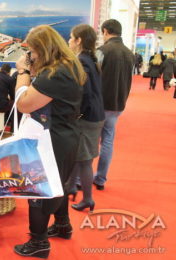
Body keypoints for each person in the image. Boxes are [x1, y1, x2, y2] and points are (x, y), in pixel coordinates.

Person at [13, 25, 85, 259]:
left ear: (43, 49)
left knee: (39, 191)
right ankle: (62, 225)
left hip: (51, 140)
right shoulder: (68, 65)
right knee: (58, 185)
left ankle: (38, 242)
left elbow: (23, 103)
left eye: (32, 51)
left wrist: (23, 72)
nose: (31, 56)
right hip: (64, 136)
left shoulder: (55, 74)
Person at [67, 24, 105, 212]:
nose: (68, 41)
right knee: (79, 156)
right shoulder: (91, 59)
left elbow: (86, 94)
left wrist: (77, 115)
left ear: (79, 40)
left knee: (84, 160)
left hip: (88, 118)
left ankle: (88, 199)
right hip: (95, 115)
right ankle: (71, 187)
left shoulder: (82, 61)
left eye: (71, 37)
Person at [93, 19, 134, 190]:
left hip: (100, 103)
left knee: (90, 142)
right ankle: (101, 179)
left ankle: (81, 180)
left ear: (105, 31)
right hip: (118, 102)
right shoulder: (128, 53)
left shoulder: (102, 51)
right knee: (108, 140)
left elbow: (92, 76)